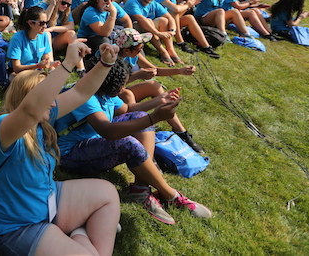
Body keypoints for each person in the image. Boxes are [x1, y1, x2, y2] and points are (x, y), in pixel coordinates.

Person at [0, 41, 121, 256]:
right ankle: (80, 234)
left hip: (46, 199)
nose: (54, 103)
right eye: (49, 97)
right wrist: (67, 65)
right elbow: (30, 109)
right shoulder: (3, 127)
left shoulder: (42, 119)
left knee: (107, 194)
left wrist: (105, 63)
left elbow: (80, 93)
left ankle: (80, 236)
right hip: (19, 226)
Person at [55, 54, 212, 226]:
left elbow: (127, 109)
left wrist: (160, 101)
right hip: (70, 155)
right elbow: (107, 131)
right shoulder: (85, 95)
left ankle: (141, 188)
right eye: (122, 84)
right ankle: (170, 195)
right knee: (128, 143)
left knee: (139, 117)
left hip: (95, 140)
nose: (124, 88)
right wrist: (154, 118)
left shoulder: (100, 88)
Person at [156, 0, 221, 58]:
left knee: (189, 17)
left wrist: (187, 6)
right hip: (160, 25)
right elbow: (176, 9)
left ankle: (206, 47)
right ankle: (180, 42)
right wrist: (188, 5)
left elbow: (177, 14)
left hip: (169, 24)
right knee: (175, 12)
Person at [123, 0, 183, 66]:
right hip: (130, 30)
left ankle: (170, 50)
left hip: (146, 28)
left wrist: (172, 31)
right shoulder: (133, 2)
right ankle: (163, 52)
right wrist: (158, 33)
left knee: (164, 20)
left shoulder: (153, 4)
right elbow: (141, 19)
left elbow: (170, 17)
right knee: (149, 21)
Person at [45, 0, 85, 75]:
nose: (66, 6)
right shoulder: (44, 5)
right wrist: (52, 5)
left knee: (71, 33)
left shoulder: (66, 10)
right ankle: (51, 68)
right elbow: (43, 21)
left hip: (55, 40)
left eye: (68, 4)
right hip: (41, 40)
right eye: (63, 3)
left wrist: (53, 28)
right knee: (46, 34)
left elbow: (71, 26)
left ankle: (81, 68)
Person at [7, 6, 55, 76]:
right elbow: (16, 68)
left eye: (46, 22)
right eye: (41, 23)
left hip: (36, 72)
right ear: (30, 23)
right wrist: (37, 66)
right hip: (18, 74)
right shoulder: (17, 38)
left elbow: (46, 59)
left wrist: (51, 64)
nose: (45, 26)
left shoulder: (44, 35)